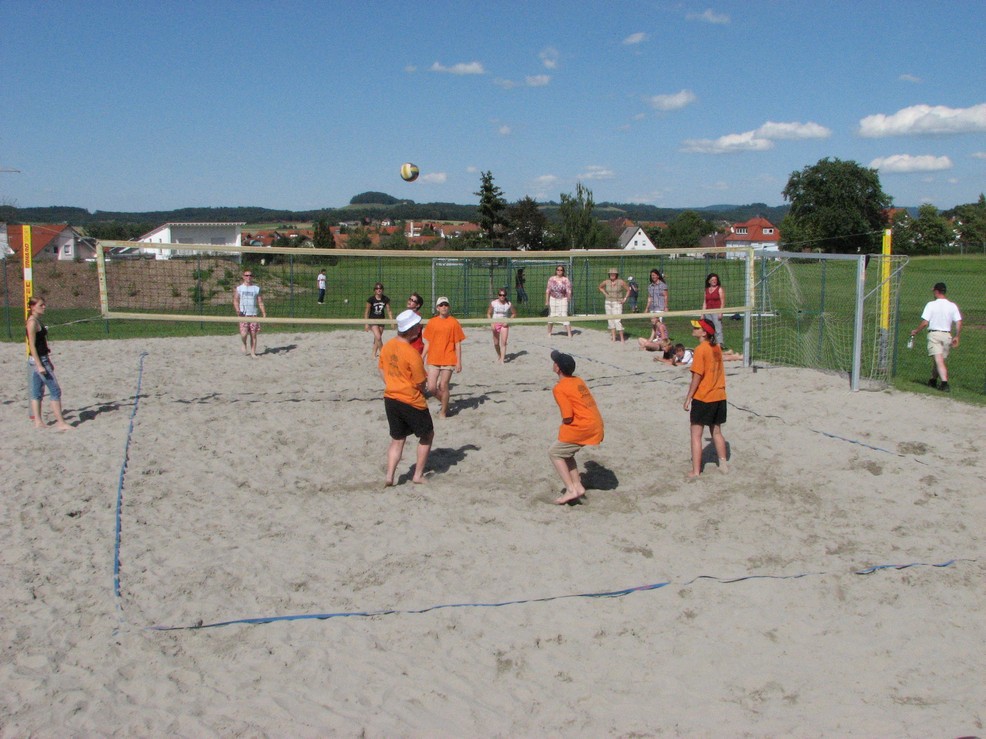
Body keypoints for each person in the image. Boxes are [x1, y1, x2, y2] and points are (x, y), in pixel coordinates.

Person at [378, 309, 434, 486]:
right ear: (411, 329)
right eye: (417, 326)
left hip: (390, 398)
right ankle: (417, 475)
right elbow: (420, 382)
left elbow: (381, 369)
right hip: (411, 400)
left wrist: (392, 383)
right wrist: (420, 390)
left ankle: (389, 476)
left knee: (397, 439)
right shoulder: (411, 353)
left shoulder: (388, 346)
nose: (420, 328)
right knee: (427, 435)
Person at [549, 350, 604, 505]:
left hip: (584, 426)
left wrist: (565, 427)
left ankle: (570, 489)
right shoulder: (578, 380)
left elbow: (567, 416)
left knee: (554, 452)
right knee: (566, 453)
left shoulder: (559, 388)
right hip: (595, 423)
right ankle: (578, 486)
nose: (553, 363)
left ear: (558, 368)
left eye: (555, 362)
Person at [683, 318, 728, 478]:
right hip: (719, 396)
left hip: (704, 397)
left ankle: (696, 471)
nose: (693, 329)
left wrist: (688, 397)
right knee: (716, 431)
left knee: (696, 435)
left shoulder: (700, 349)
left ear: (704, 333)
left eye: (697, 328)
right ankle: (723, 464)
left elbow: (697, 377)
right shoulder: (716, 347)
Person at [26, 297, 72, 430]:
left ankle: (38, 422)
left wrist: (48, 361)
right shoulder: (32, 322)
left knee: (37, 391)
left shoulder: (37, 320)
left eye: (44, 304)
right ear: (33, 307)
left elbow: (41, 344)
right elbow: (32, 346)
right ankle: (61, 423)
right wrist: (40, 365)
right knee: (55, 390)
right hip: (39, 360)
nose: (44, 307)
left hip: (41, 359)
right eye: (41, 305)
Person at [909, 282, 962, 393]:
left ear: (937, 291)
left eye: (934, 291)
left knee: (938, 360)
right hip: (947, 336)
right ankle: (932, 380)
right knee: (939, 360)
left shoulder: (931, 305)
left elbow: (925, 322)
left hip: (934, 335)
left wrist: (916, 331)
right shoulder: (952, 306)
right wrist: (957, 336)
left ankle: (944, 383)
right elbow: (958, 321)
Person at [422, 296, 465, 419]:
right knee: (431, 387)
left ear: (449, 307)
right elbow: (428, 342)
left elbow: (458, 343)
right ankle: (445, 402)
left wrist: (459, 362)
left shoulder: (453, 322)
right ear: (437, 308)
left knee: (443, 385)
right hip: (433, 358)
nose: (444, 307)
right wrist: (422, 356)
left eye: (446, 305)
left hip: (448, 358)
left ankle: (443, 412)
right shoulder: (432, 322)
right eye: (441, 305)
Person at [233, 269, 266, 357]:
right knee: (243, 334)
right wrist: (238, 310)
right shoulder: (239, 288)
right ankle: (244, 344)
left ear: (252, 277)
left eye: (250, 275)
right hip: (243, 315)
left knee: (253, 335)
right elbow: (235, 300)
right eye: (246, 275)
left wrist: (264, 313)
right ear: (243, 277)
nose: (248, 277)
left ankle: (253, 353)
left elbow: (260, 302)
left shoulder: (256, 289)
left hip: (253, 315)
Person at [598, 267, 629, 343]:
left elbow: (628, 290)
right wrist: (605, 293)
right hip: (608, 302)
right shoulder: (606, 281)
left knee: (617, 320)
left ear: (616, 274)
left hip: (617, 302)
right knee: (610, 320)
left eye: (614, 274)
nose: (612, 275)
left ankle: (622, 339)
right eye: (611, 274)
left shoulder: (621, 282)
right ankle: (614, 338)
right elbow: (600, 287)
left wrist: (625, 299)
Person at [487, 289, 517, 363]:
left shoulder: (508, 304)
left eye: (504, 295)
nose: (502, 296)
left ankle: (502, 360)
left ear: (505, 296)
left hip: (504, 324)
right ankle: (499, 355)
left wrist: (508, 321)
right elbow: (488, 313)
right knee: (496, 343)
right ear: (498, 295)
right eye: (500, 295)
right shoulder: (494, 303)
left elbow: (514, 313)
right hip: (495, 323)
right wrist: (491, 323)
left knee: (503, 342)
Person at [364, 282, 393, 358]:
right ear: (374, 290)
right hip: (373, 320)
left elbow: (389, 311)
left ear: (382, 290)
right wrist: (366, 323)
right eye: (377, 288)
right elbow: (367, 312)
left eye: (380, 288)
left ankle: (373, 353)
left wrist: (392, 322)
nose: (379, 290)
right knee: (378, 337)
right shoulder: (371, 299)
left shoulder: (385, 299)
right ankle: (383, 353)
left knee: (377, 338)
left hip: (381, 320)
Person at [545, 264, 573, 338]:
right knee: (552, 315)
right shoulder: (551, 279)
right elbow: (548, 290)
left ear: (563, 271)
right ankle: (549, 333)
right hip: (553, 298)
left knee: (564, 315)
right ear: (556, 271)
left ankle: (569, 333)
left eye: (561, 270)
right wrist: (547, 301)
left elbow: (569, 290)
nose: (559, 271)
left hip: (563, 298)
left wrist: (568, 298)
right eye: (558, 270)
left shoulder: (565, 279)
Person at [645, 269, 669, 341]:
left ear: (658, 276)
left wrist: (666, 307)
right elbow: (649, 298)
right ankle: (655, 337)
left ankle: (661, 338)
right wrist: (647, 308)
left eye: (654, 275)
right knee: (654, 323)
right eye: (651, 275)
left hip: (660, 307)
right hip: (652, 307)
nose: (653, 277)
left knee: (659, 323)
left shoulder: (663, 285)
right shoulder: (650, 286)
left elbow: (665, 296)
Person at [702, 273, 726, 348]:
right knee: (709, 329)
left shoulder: (719, 289)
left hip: (716, 311)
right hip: (707, 312)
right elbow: (705, 302)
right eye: (712, 280)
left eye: (715, 279)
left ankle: (720, 344)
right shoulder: (706, 290)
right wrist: (702, 314)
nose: (714, 281)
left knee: (718, 328)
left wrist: (721, 312)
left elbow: (722, 302)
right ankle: (711, 344)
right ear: (709, 281)